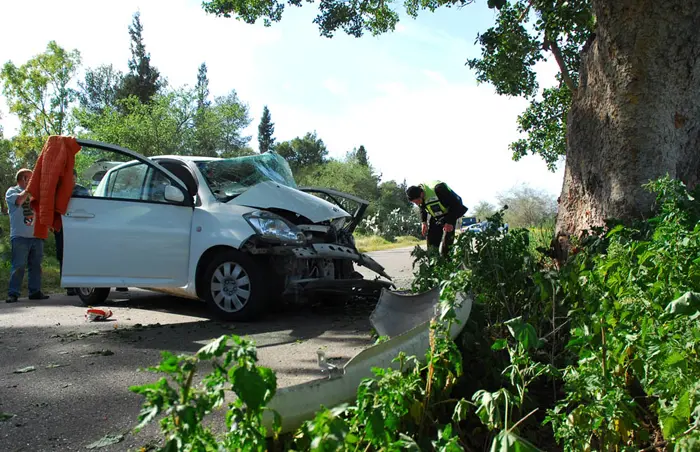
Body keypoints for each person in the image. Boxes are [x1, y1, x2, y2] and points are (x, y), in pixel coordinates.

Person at [5, 168, 49, 303]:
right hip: (19, 236)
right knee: (18, 265)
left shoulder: (34, 193)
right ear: (22, 179)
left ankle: (35, 291)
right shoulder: (12, 191)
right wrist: (29, 189)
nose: (33, 180)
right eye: (29, 178)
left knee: (36, 265)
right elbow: (19, 201)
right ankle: (13, 293)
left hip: (36, 236)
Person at [406, 181, 468, 258]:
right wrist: (424, 222)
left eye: (417, 201)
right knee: (432, 245)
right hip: (436, 216)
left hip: (451, 213)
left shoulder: (439, 189)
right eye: (415, 203)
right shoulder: (418, 195)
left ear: (421, 194)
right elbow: (422, 207)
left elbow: (456, 205)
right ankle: (434, 264)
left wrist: (449, 222)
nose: (417, 204)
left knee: (447, 245)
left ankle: (447, 263)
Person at [54, 169, 90, 296]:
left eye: (73, 178)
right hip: (63, 226)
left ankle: (80, 284)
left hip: (80, 227)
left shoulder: (83, 190)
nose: (72, 181)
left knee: (79, 254)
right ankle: (69, 285)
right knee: (63, 254)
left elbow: (90, 207)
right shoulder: (57, 191)